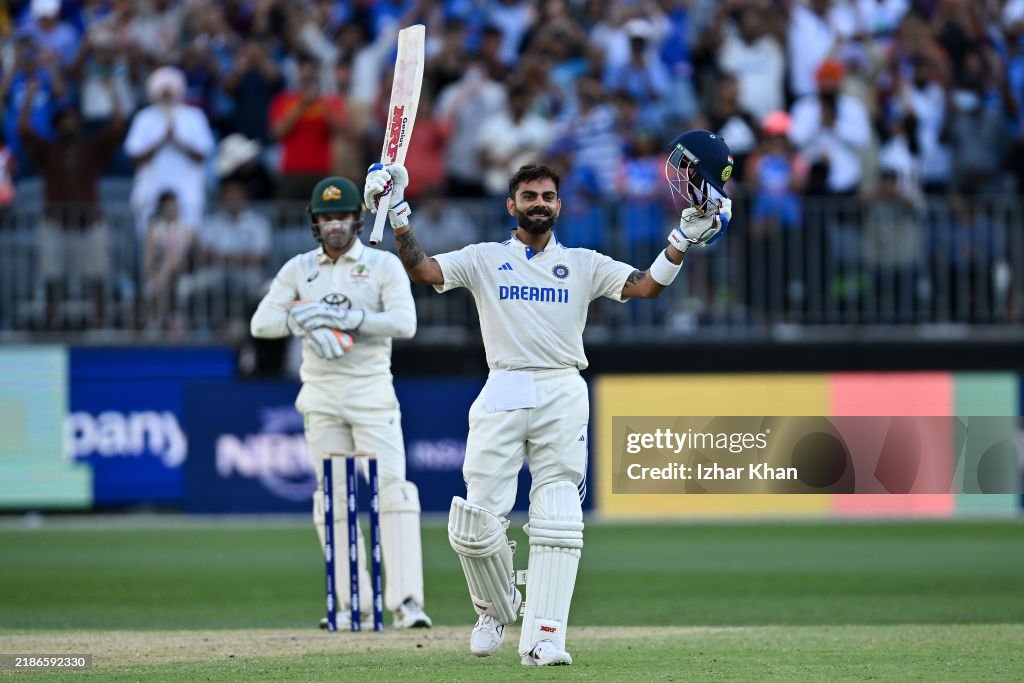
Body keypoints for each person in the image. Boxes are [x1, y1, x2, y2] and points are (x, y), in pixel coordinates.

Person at [363, 131, 734, 665]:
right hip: (503, 385)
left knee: (559, 515)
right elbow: (424, 270)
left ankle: (543, 639)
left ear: (559, 206)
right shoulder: (484, 258)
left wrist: (680, 240)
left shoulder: (583, 262)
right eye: (529, 196)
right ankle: (494, 608)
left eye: (548, 197)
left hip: (562, 387)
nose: (539, 204)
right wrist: (398, 214)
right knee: (474, 522)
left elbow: (646, 285)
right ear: (510, 205)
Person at [249, 175, 432, 630]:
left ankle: (407, 603)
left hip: (372, 394)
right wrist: (303, 318)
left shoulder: (383, 265)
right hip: (321, 396)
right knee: (332, 498)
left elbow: (405, 324)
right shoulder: (298, 269)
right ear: (315, 222)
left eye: (343, 216)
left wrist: (345, 317)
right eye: (327, 217)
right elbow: (261, 324)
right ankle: (354, 604)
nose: (335, 225)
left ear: (357, 219)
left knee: (394, 493)